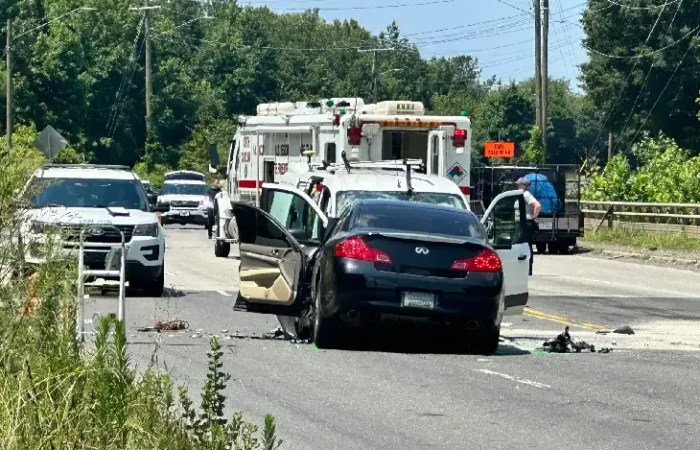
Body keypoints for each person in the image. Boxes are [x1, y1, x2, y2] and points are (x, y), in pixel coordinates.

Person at [516, 177, 541, 276]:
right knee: (522, 246)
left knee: (526, 246)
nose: (518, 186)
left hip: (526, 222)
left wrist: (533, 217)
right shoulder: (521, 195)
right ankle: (523, 268)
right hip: (522, 223)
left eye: (519, 185)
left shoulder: (526, 195)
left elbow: (537, 205)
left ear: (524, 186)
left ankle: (528, 268)